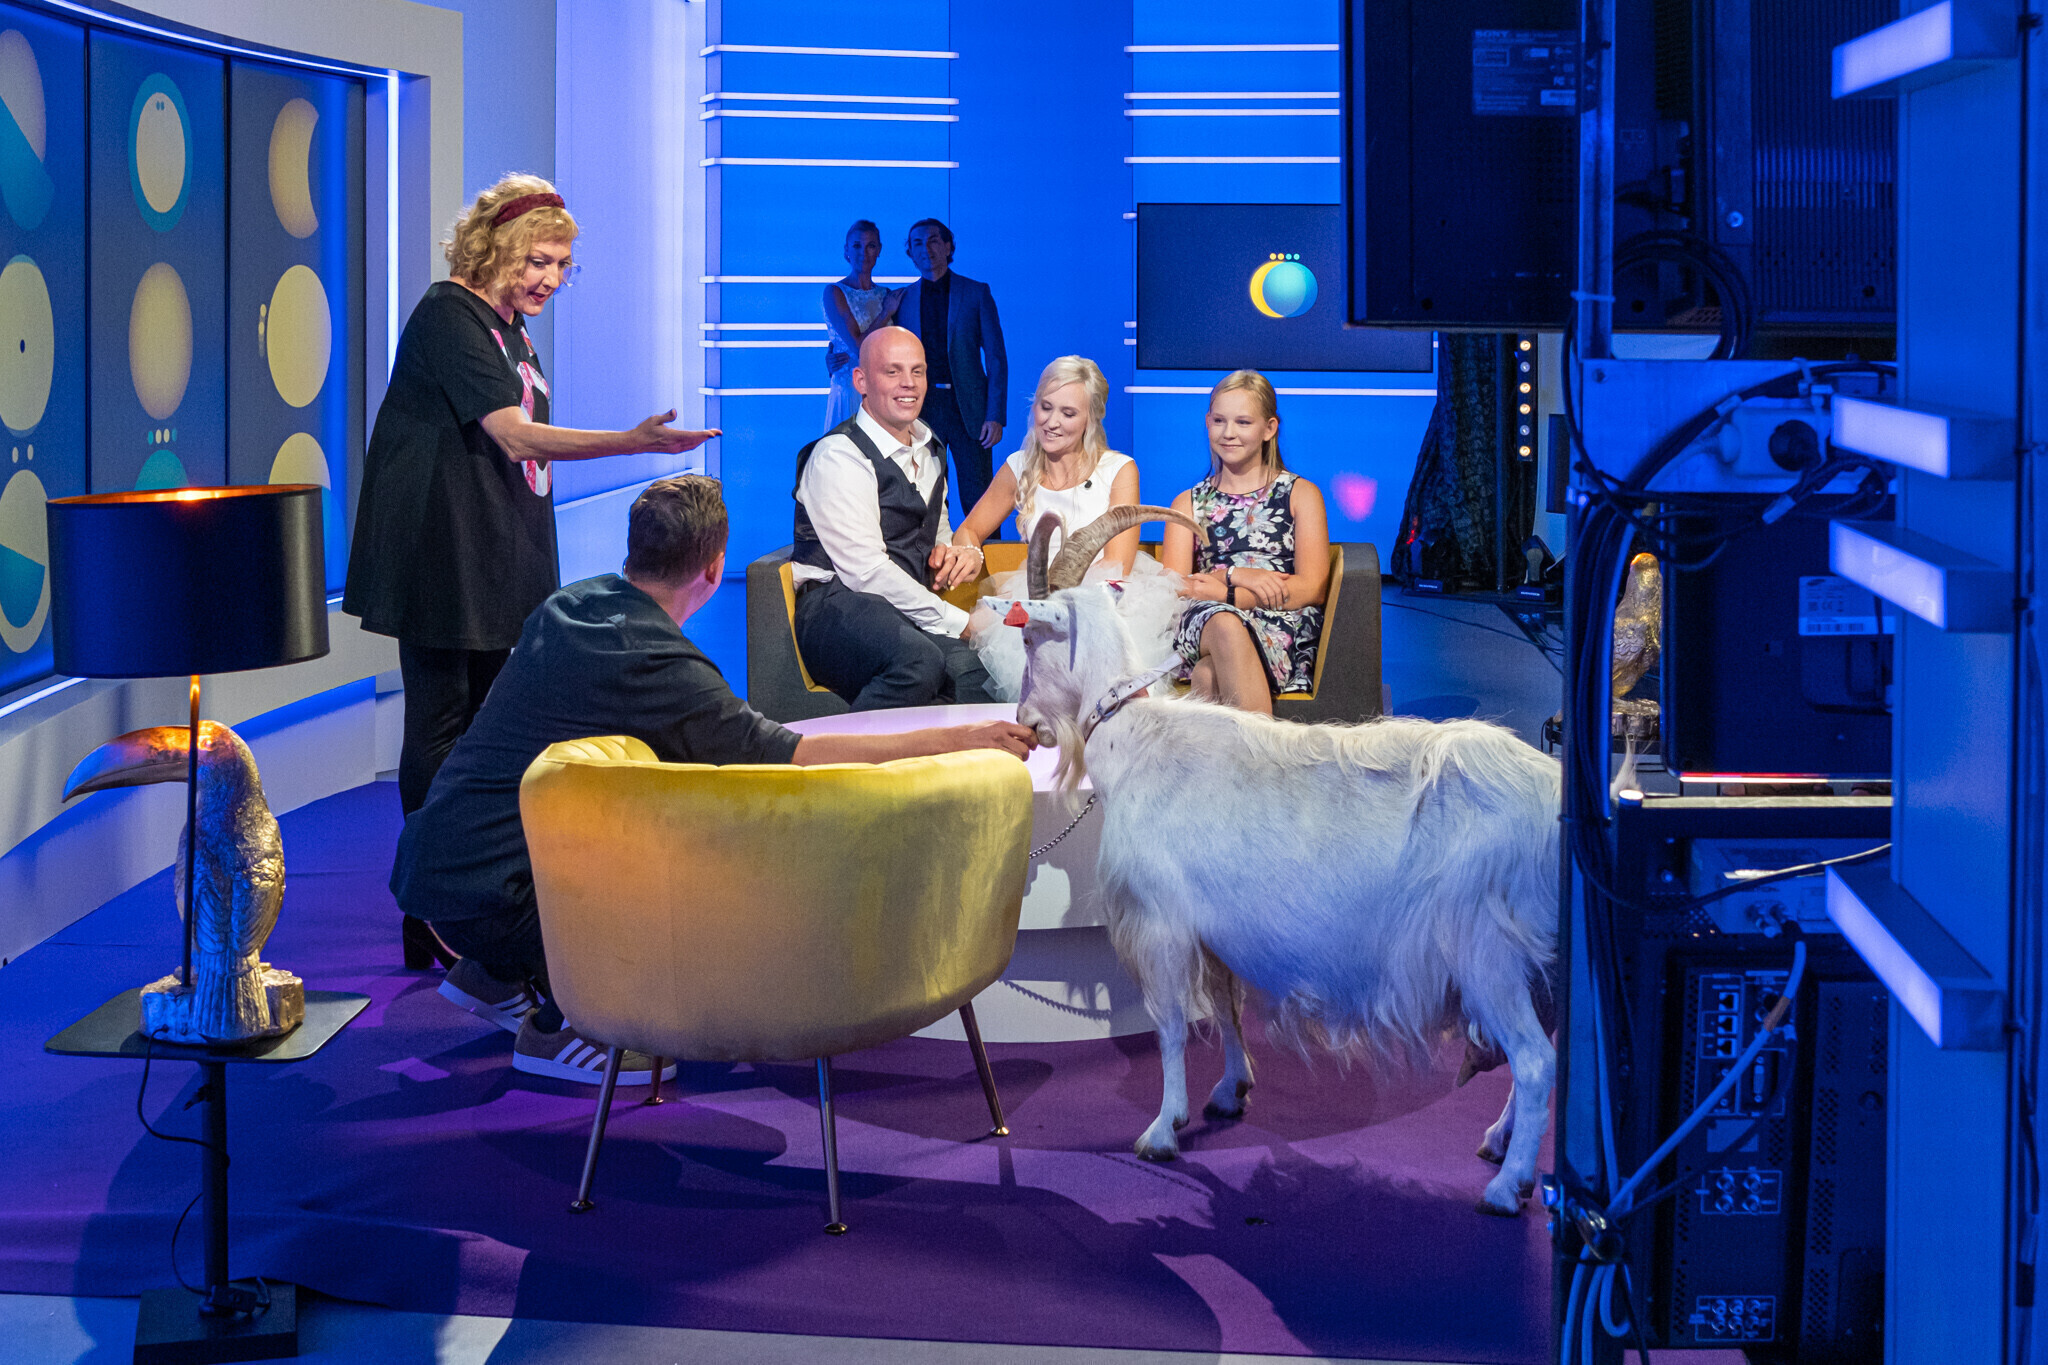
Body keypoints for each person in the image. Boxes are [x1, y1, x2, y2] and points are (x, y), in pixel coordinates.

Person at [393, 475, 1037, 1084]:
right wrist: (959, 738)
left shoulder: (572, 604)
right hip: (495, 894)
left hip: (437, 865)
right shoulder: (657, 663)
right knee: (683, 894)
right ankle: (558, 1026)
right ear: (712, 566)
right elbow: (796, 755)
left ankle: (495, 973)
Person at [343, 174, 718, 972]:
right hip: (442, 551)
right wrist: (633, 442)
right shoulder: (449, 314)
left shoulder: (511, 327)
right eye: (538, 261)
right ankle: (431, 905)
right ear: (498, 249)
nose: (550, 278)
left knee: (489, 726)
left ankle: (481, 892)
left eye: (561, 266)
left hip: (496, 542)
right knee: (442, 725)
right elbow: (514, 436)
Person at [951, 356, 1184, 701]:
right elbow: (969, 530)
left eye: (1068, 413)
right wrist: (969, 551)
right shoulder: (1019, 467)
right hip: (1036, 595)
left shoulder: (1118, 469)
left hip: (1104, 603)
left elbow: (1117, 567)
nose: (1052, 422)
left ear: (1091, 418)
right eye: (1046, 407)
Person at [790, 326, 996, 710]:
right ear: (861, 381)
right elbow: (865, 572)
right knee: (918, 662)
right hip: (837, 608)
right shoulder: (839, 455)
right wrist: (960, 623)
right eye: (892, 371)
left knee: (979, 674)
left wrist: (949, 552)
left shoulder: (930, 445)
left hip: (901, 605)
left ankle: (941, 749)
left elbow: (936, 525)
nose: (909, 383)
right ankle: (857, 750)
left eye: (918, 371)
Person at [1161, 370, 1331, 716]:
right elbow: (1172, 587)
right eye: (1219, 421)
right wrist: (1234, 575)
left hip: (1276, 622)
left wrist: (1232, 596)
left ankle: (1226, 753)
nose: (1229, 433)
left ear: (1269, 428)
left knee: (1208, 675)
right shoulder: (1187, 502)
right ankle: (1263, 749)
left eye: (1243, 422)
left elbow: (1313, 587)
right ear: (1207, 422)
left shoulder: (1301, 494)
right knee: (1224, 623)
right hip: (1206, 617)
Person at [893, 218, 1007, 519]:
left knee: (979, 497)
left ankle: (984, 552)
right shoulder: (901, 300)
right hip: (922, 410)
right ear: (910, 253)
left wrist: (995, 415)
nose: (926, 249)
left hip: (970, 410)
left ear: (947, 246)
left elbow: (996, 357)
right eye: (917, 243)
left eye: (933, 240)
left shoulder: (976, 293)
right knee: (927, 499)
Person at [822, 219, 900, 429]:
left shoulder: (886, 294)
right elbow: (858, 346)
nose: (863, 253)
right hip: (850, 391)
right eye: (857, 245)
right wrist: (885, 313)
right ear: (846, 250)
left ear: (879, 250)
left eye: (870, 246)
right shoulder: (835, 292)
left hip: (883, 392)